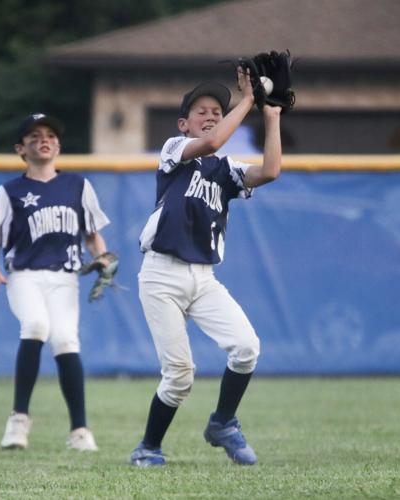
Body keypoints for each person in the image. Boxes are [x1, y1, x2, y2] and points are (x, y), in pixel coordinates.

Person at [129, 67, 283, 466]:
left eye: (218, 109)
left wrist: (272, 115)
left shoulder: (225, 169)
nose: (212, 115)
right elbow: (212, 140)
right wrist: (247, 99)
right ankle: (148, 447)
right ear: (184, 123)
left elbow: (270, 171)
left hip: (203, 278)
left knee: (247, 347)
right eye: (202, 110)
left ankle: (223, 423)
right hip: (161, 275)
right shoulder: (174, 150)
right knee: (180, 375)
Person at [0, 113, 114, 452]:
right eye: (35, 135)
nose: (45, 139)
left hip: (65, 278)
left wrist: (103, 258)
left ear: (59, 144)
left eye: (51, 134)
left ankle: (80, 431)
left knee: (66, 340)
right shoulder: (10, 191)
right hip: (24, 276)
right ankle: (18, 420)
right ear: (20, 148)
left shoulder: (77, 186)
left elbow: (93, 237)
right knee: (36, 325)